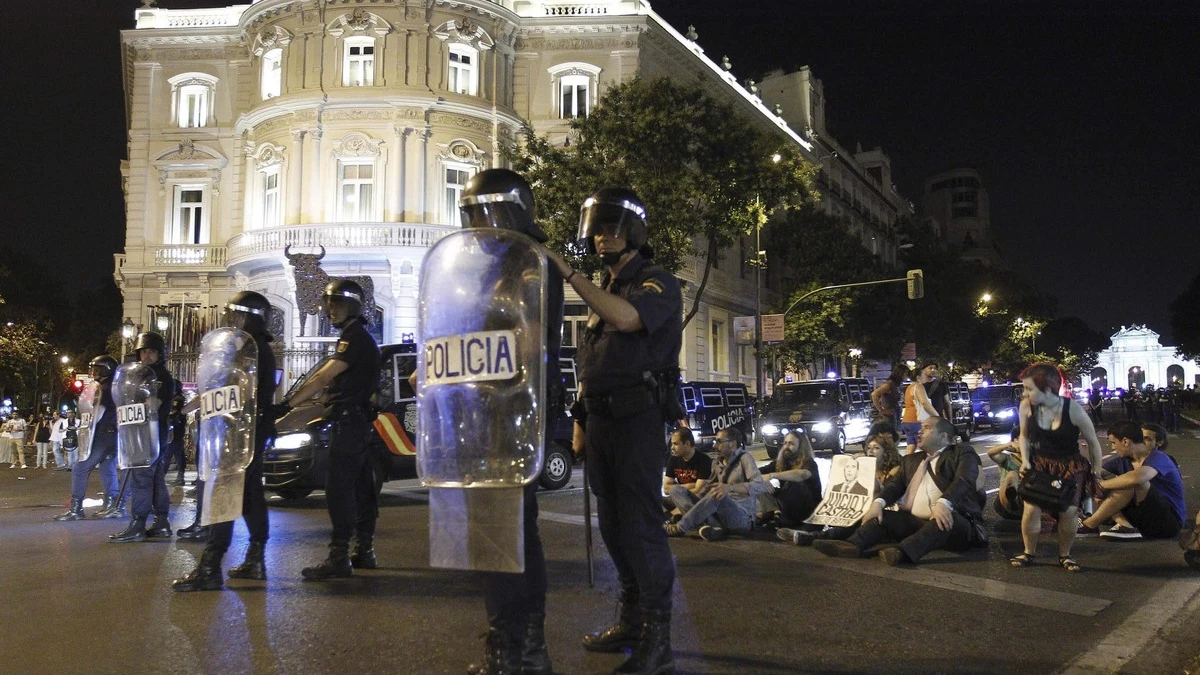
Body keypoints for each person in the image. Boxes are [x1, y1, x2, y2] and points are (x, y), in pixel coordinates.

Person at [420, 168, 564, 675]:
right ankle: (507, 641)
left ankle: (525, 647)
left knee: (511, 533)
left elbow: (529, 344)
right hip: (481, 417)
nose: (477, 221)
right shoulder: (487, 272)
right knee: (489, 535)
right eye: (471, 212)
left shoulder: (530, 267)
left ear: (511, 211)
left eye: (486, 210)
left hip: (513, 417)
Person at [543, 187, 681, 674]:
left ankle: (658, 637)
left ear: (635, 234)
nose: (603, 238)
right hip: (601, 422)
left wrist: (570, 274)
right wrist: (581, 421)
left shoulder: (656, 283)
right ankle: (631, 618)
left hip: (638, 421)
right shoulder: (608, 288)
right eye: (598, 229)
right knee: (614, 528)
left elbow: (627, 321)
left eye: (613, 229)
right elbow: (592, 365)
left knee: (642, 529)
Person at [173, 291, 279, 592]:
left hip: (240, 434)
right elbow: (220, 392)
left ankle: (210, 566)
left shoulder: (250, 352)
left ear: (245, 317)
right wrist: (187, 407)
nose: (228, 319)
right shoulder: (254, 349)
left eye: (233, 314)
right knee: (249, 497)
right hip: (248, 433)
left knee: (224, 494)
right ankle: (255, 559)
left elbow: (234, 394)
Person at [278, 279, 381, 580]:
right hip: (358, 423)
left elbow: (323, 377)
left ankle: (339, 556)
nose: (329, 310)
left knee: (339, 491)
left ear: (351, 306)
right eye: (328, 304)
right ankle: (364, 550)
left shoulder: (354, 338)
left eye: (336, 304)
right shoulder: (361, 337)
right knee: (363, 490)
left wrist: (287, 404)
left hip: (349, 426)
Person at [812, 416, 987, 566]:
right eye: (920, 428)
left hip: (959, 523)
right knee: (881, 517)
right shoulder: (912, 460)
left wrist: (944, 503)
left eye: (926, 428)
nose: (919, 432)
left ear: (943, 436)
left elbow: (964, 479)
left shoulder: (962, 453)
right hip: (917, 521)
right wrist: (878, 503)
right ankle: (851, 546)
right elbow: (895, 486)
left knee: (944, 518)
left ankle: (901, 552)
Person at [1009, 363, 1103, 573]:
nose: (1025, 393)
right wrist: (1025, 460)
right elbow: (1024, 435)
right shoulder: (1026, 406)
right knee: (1031, 508)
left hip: (1070, 465)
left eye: (1029, 389)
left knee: (1068, 511)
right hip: (1041, 463)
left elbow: (1093, 441)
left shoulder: (1073, 409)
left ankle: (1065, 555)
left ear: (1048, 389)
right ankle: (1028, 552)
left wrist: (1096, 471)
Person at [779, 433, 903, 546]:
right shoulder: (862, 467)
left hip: (880, 511)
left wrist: (867, 472)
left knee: (852, 523)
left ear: (886, 452)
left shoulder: (894, 470)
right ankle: (805, 531)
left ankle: (812, 537)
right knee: (829, 507)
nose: (871, 451)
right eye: (869, 448)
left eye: (876, 448)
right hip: (858, 507)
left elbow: (885, 492)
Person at [111, 332, 176, 543]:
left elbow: (153, 406)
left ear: (160, 354)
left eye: (151, 351)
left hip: (151, 433)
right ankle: (161, 523)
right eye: (143, 352)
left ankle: (138, 525)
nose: (146, 356)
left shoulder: (160, 378)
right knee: (155, 479)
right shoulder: (139, 376)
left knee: (141, 478)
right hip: (141, 432)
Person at [1077, 421, 1185, 541]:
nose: (1113, 447)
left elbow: (1136, 479)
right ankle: (1125, 525)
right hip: (1140, 519)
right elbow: (1097, 473)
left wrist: (1098, 486)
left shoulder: (1159, 457)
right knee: (1105, 479)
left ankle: (1089, 524)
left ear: (1125, 442)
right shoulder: (1124, 461)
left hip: (1167, 522)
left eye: (1113, 443)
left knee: (1130, 482)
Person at [665, 427, 768, 542]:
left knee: (718, 493)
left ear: (732, 444)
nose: (714, 446)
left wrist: (729, 488)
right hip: (719, 515)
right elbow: (705, 489)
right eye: (715, 441)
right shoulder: (717, 462)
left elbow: (760, 485)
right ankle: (709, 527)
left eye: (719, 442)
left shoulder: (745, 459)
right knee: (676, 490)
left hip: (741, 518)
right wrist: (692, 503)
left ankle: (680, 527)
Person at [53, 356, 121, 522]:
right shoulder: (115, 385)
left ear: (107, 369)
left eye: (98, 369)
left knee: (80, 467)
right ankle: (111, 505)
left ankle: (76, 509)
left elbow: (97, 414)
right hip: (113, 433)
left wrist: (86, 425)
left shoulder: (103, 388)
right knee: (107, 468)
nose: (94, 372)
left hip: (103, 433)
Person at [757, 431, 822, 528]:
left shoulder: (809, 462)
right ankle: (771, 513)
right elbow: (754, 472)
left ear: (800, 447)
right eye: (785, 443)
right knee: (758, 484)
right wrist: (762, 479)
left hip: (808, 507)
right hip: (787, 503)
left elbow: (802, 474)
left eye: (791, 444)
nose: (786, 447)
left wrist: (772, 475)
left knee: (794, 483)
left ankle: (782, 518)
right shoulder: (781, 462)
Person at [662, 427, 712, 519]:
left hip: (695, 500)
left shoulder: (704, 460)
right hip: (677, 498)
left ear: (687, 443)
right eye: (672, 444)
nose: (672, 447)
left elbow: (699, 490)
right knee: (654, 500)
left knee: (684, 499)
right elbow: (666, 488)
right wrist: (690, 486)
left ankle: (673, 517)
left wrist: (676, 489)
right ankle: (673, 516)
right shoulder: (673, 459)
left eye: (676, 444)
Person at [987, 427, 1024, 520]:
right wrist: (1007, 446)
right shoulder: (1007, 458)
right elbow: (991, 453)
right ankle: (1012, 497)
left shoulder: (1035, 459)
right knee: (1012, 474)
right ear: (1015, 440)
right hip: (1005, 504)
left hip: (1027, 502)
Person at [900, 365, 939, 448]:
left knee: (911, 446)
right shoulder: (918, 386)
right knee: (925, 446)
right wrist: (936, 415)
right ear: (918, 377)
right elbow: (924, 403)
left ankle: (906, 461)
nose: (925, 377)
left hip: (906, 421)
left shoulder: (909, 387)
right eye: (923, 375)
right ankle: (926, 461)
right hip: (916, 421)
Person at [870, 364, 906, 428]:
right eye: (905, 373)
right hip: (889, 417)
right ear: (900, 373)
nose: (906, 376)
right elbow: (874, 394)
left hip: (896, 415)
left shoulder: (897, 385)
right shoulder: (889, 384)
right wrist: (881, 410)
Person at [165, 394, 187, 485]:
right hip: (176, 436)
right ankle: (180, 477)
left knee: (168, 456)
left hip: (174, 435)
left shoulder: (177, 399)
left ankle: (162, 477)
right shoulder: (178, 399)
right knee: (178, 456)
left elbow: (175, 414)